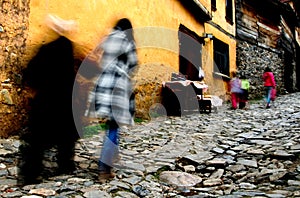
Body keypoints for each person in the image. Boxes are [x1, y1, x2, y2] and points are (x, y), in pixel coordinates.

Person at [86, 18, 138, 183]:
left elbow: (97, 58)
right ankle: (104, 167)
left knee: (110, 125)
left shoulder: (106, 39)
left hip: (103, 86)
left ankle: (112, 156)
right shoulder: (127, 42)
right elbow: (134, 65)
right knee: (113, 128)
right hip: (118, 89)